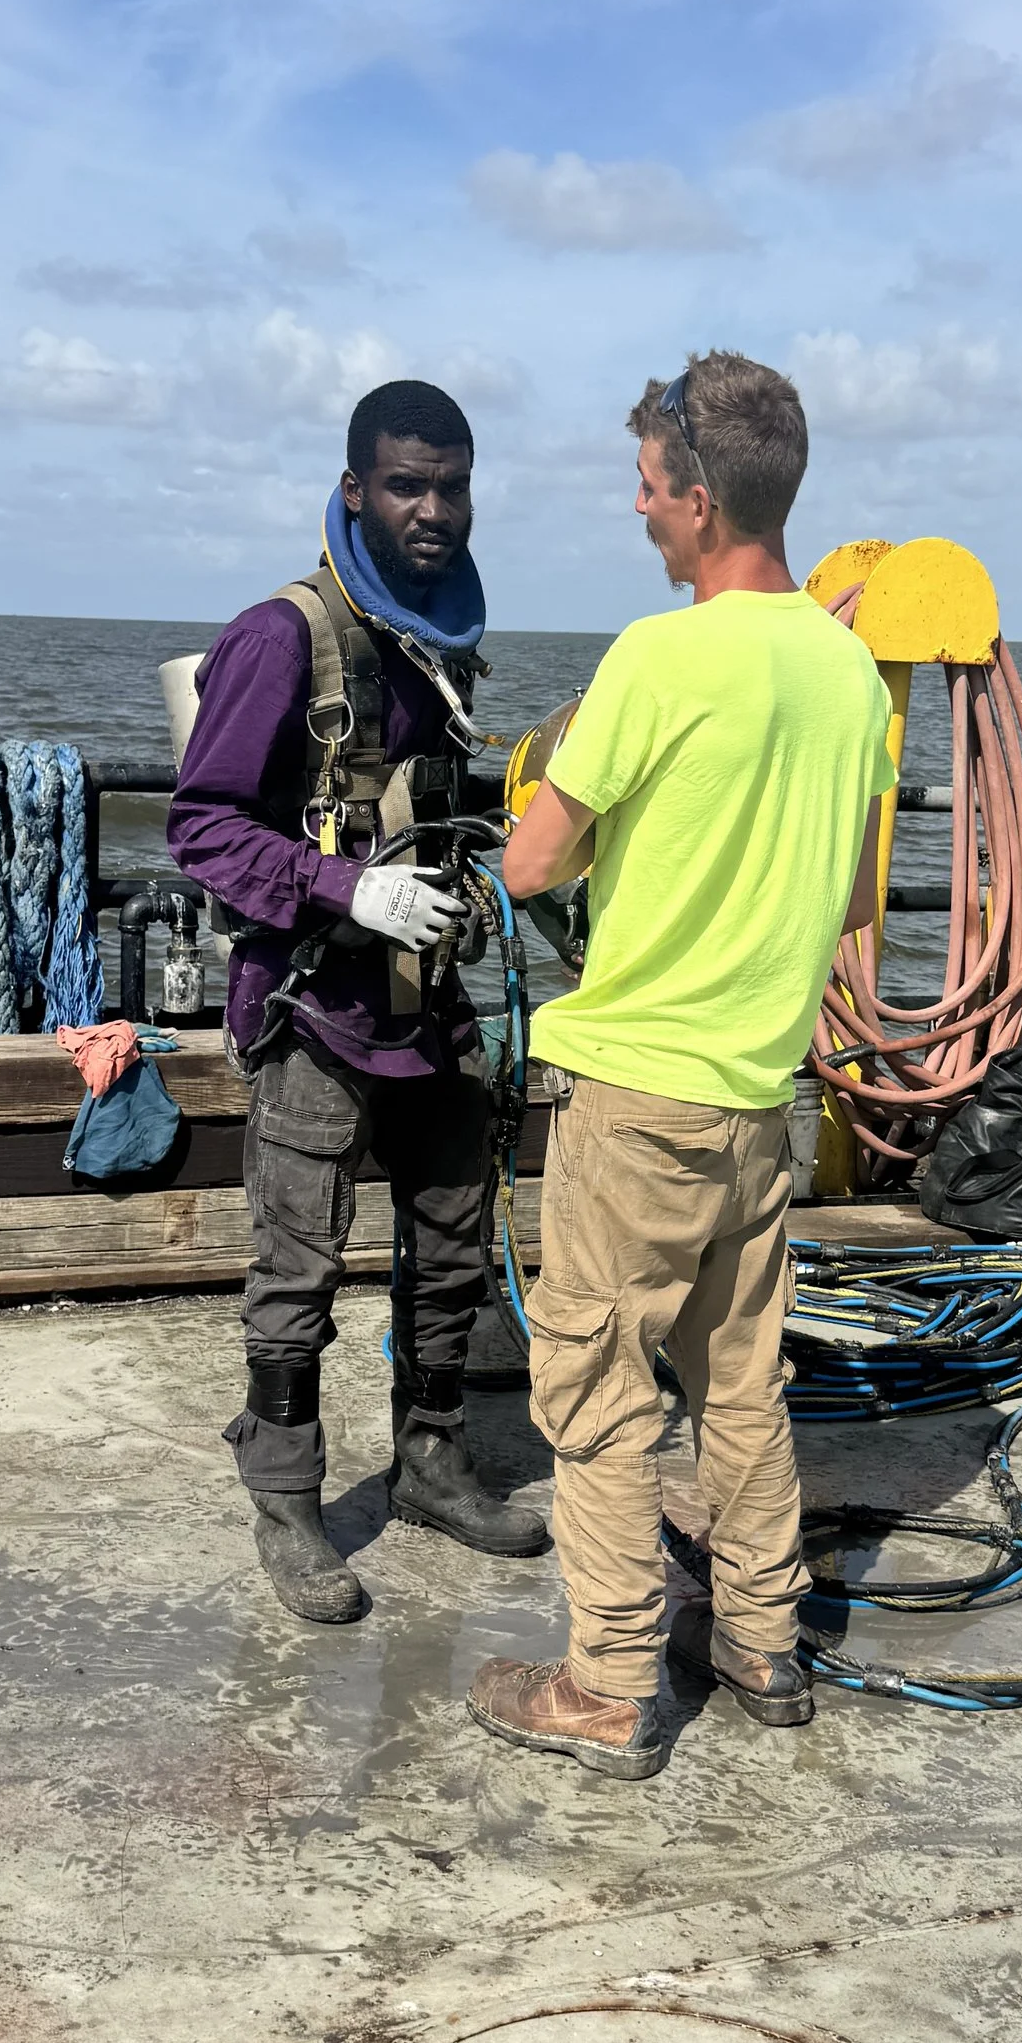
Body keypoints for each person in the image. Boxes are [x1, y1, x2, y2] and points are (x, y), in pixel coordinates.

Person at [472, 351, 895, 1779]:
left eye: (649, 490)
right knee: (741, 1383)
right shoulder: (853, 679)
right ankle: (764, 1645)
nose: (638, 512)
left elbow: (532, 855)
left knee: (595, 1397)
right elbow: (846, 907)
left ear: (702, 501)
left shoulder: (654, 659)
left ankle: (609, 1688)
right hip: (763, 1107)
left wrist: (586, 800)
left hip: (637, 1102)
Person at [168, 379, 551, 1622]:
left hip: (432, 1004)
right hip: (314, 1011)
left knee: (449, 1252)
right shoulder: (282, 637)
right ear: (353, 490)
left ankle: (432, 1459)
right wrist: (345, 892)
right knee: (298, 1268)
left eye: (452, 485)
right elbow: (202, 828)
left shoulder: (433, 637)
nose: (434, 509)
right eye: (406, 484)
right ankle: (285, 1494)